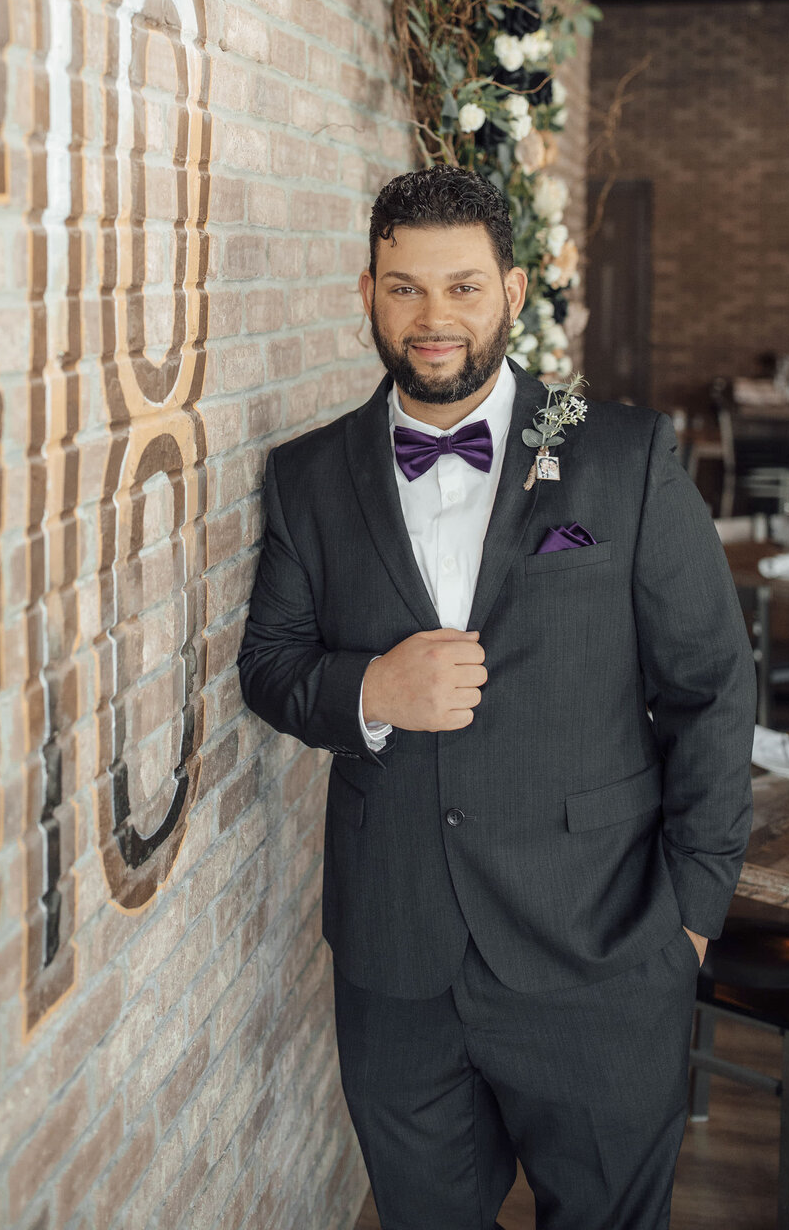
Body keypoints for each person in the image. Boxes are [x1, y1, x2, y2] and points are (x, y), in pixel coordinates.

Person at [237, 166, 756, 1230]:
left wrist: (690, 921)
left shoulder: (624, 453)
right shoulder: (308, 476)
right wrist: (370, 689)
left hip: (602, 949)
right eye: (405, 289)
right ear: (367, 292)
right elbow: (272, 661)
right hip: (396, 961)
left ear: (514, 293)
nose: (434, 320)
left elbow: (711, 686)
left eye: (464, 288)